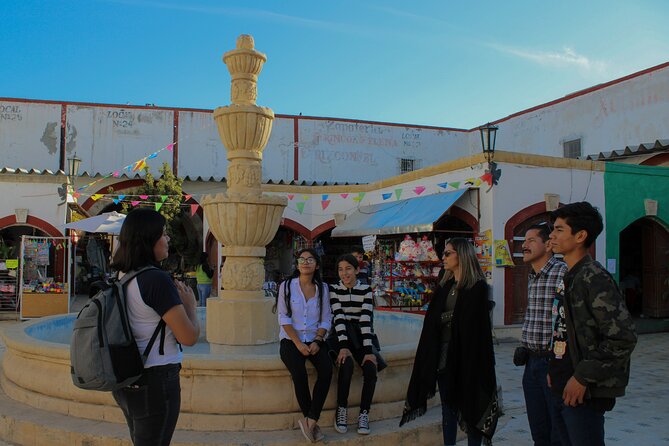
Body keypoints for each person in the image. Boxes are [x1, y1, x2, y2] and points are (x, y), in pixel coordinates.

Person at [547, 202, 637, 446]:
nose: (551, 236)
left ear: (580, 236)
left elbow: (623, 337)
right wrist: (553, 366)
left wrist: (583, 377)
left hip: (583, 391)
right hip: (562, 383)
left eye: (559, 230)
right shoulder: (571, 275)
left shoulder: (593, 277)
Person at [110, 208, 200, 446]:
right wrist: (191, 306)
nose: (168, 239)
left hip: (128, 376)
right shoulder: (156, 280)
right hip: (157, 379)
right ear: (148, 240)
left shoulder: (123, 275)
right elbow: (189, 337)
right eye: (163, 233)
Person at [400, 237, 499, 446]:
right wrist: (448, 317)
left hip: (469, 357)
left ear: (461, 255)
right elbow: (433, 318)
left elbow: (471, 323)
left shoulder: (477, 287)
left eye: (447, 253)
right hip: (444, 355)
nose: (442, 257)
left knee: (470, 405)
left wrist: (445, 318)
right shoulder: (445, 285)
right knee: (448, 406)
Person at [275, 248, 332, 443]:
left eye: (310, 259)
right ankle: (311, 421)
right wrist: (299, 344)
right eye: (301, 259)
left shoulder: (323, 288)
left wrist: (317, 340)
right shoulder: (287, 286)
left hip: (315, 340)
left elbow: (326, 319)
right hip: (291, 341)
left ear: (317, 264)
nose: (305, 262)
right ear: (297, 264)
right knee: (299, 374)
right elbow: (283, 317)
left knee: (326, 371)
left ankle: (310, 420)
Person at [518, 223, 566, 446]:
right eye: (524, 241)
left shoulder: (561, 273)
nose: (524, 245)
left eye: (530, 241)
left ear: (548, 245)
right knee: (539, 430)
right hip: (532, 363)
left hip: (552, 363)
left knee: (558, 430)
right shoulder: (533, 276)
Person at [330, 254, 378, 436]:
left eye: (348, 269)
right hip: (341, 336)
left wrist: (368, 351)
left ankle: (364, 413)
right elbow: (338, 319)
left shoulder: (366, 290)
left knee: (371, 368)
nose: (344, 273)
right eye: (341, 270)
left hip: (360, 336)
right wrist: (343, 347)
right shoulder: (334, 289)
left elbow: (366, 320)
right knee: (346, 364)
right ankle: (341, 409)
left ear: (357, 270)